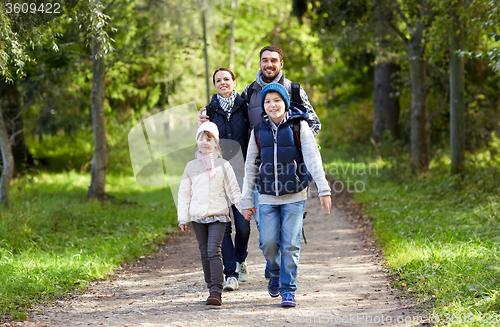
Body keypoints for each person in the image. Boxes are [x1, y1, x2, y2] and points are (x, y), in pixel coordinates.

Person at [198, 46, 322, 279]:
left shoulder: (294, 90)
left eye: (273, 60)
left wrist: (295, 146)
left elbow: (314, 123)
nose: (269, 64)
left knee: (287, 223)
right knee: (264, 226)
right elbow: (233, 115)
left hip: (289, 172)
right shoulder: (249, 92)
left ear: (281, 64)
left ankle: (281, 275)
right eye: (265, 60)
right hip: (256, 171)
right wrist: (203, 122)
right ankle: (269, 263)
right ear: (260, 63)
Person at [240, 83, 331, 308]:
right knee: (268, 243)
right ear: (263, 105)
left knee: (290, 244)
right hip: (267, 196)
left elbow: (312, 159)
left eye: (277, 100)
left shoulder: (299, 126)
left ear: (285, 102)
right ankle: (274, 270)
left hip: (295, 196)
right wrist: (246, 200)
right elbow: (251, 166)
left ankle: (288, 290)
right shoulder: (257, 130)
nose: (273, 105)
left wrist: (324, 189)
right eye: (268, 101)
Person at [177, 122, 243, 306]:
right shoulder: (191, 166)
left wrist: (243, 208)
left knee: (214, 249)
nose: (205, 142)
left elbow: (234, 191)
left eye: (209, 139)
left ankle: (216, 290)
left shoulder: (223, 165)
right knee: (204, 252)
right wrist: (183, 218)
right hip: (198, 217)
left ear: (216, 142)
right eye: (201, 138)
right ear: (196, 141)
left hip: (218, 215)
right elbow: (184, 194)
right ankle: (210, 287)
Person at [201, 68, 251, 291]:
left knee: (243, 227)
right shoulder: (208, 112)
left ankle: (241, 260)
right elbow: (202, 142)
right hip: (217, 175)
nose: (223, 83)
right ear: (214, 85)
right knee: (223, 225)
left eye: (226, 79)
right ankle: (230, 273)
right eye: (218, 80)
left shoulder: (246, 107)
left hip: (242, 174)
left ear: (234, 81)